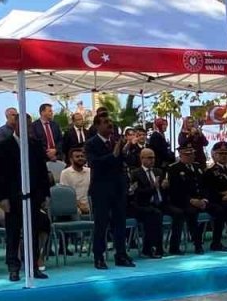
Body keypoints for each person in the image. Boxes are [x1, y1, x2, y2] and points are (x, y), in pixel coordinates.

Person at [0, 116, 51, 281]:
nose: (26, 128)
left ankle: (33, 266)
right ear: (15, 126)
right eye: (22, 125)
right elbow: (0, 174)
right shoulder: (3, 145)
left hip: (32, 195)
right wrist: (3, 197)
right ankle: (13, 267)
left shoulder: (35, 145)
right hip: (12, 197)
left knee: (32, 232)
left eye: (28, 125)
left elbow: (42, 171)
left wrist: (45, 194)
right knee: (13, 233)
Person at [86, 113, 135, 269]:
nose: (110, 124)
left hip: (118, 187)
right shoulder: (91, 144)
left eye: (110, 121)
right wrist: (112, 155)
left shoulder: (116, 141)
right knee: (101, 223)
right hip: (101, 189)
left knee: (119, 222)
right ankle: (99, 257)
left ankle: (121, 254)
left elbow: (122, 163)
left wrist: (124, 151)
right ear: (97, 126)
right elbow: (94, 163)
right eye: (106, 122)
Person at [165, 145, 210, 255]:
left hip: (200, 201)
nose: (190, 156)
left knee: (219, 209)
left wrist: (204, 200)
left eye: (192, 154)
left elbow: (204, 186)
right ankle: (197, 244)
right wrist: (191, 200)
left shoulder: (198, 167)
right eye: (187, 154)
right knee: (191, 213)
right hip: (183, 202)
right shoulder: (174, 169)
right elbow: (175, 191)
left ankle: (217, 241)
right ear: (181, 155)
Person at [129, 148, 167, 259]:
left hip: (159, 203)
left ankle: (173, 246)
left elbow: (162, 190)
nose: (152, 160)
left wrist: (165, 186)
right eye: (150, 158)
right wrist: (153, 188)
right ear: (142, 159)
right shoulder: (135, 173)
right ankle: (152, 248)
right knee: (154, 214)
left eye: (154, 157)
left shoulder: (158, 172)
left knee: (178, 211)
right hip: (142, 205)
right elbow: (137, 193)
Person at [58, 148, 92, 215]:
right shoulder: (65, 173)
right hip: (74, 206)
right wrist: (80, 205)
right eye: (77, 157)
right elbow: (66, 194)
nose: (80, 158)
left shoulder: (90, 171)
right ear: (71, 159)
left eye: (82, 156)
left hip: (90, 205)